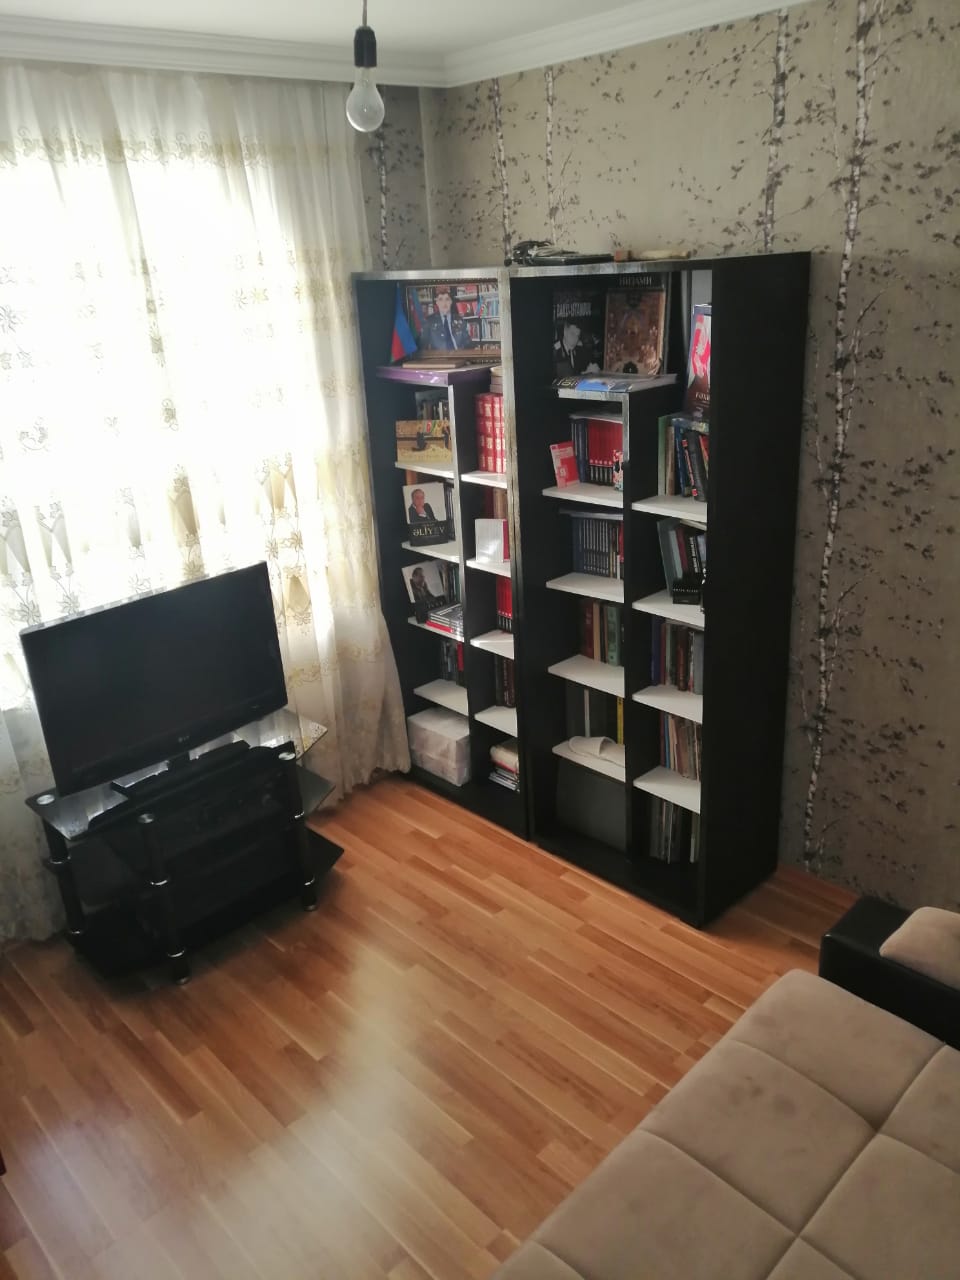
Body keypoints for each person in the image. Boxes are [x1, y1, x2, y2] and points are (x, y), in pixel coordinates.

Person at [421, 286, 474, 352]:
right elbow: (423, 345)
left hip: (458, 355)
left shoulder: (460, 320)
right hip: (439, 357)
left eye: (447, 299)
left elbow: (468, 343)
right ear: (437, 302)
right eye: (441, 299)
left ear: (451, 302)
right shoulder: (429, 321)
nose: (444, 303)